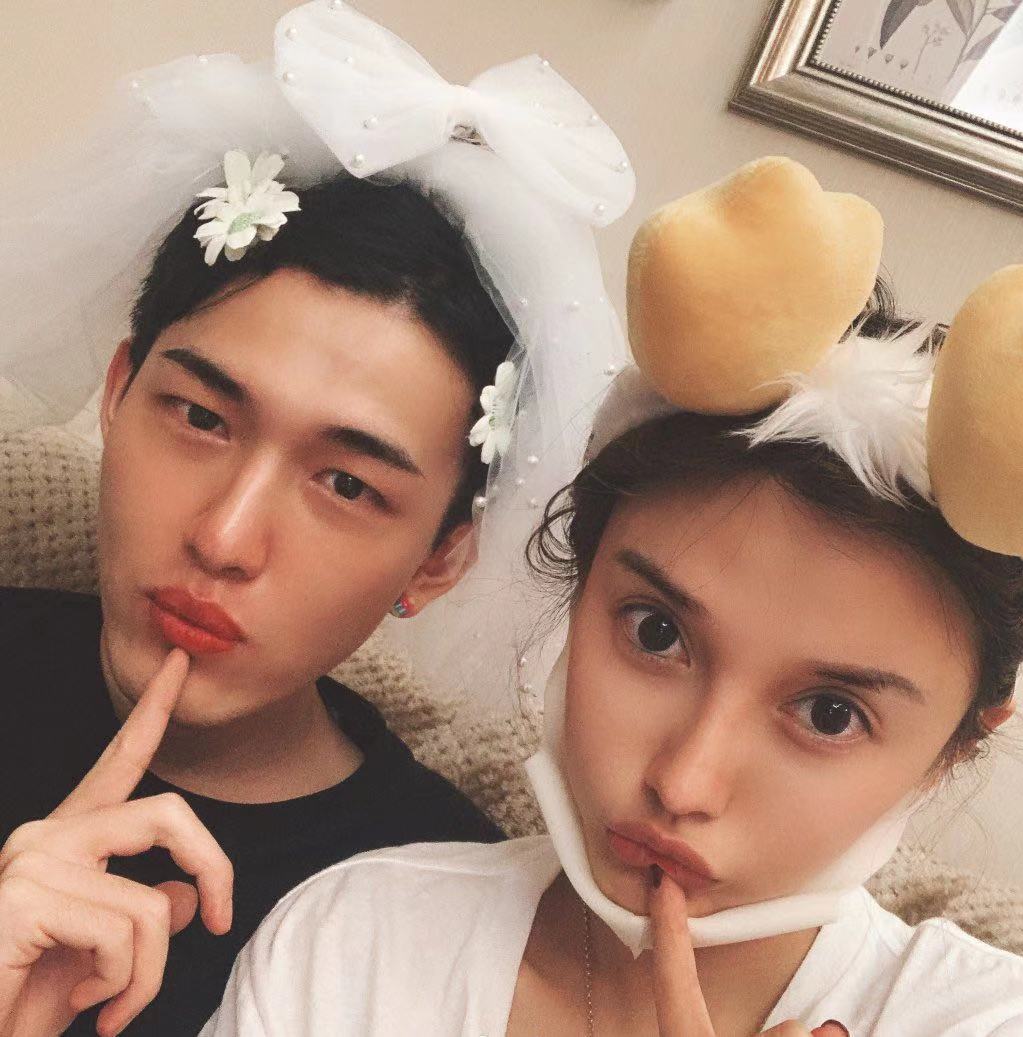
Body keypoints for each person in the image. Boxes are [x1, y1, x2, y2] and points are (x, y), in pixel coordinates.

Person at [200, 157, 1023, 1036]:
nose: (683, 782)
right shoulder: (351, 943)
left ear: (954, 750)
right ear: (582, 592)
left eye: (829, 713)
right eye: (657, 633)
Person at [0, 4, 634, 1036]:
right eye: (201, 417)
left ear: (439, 559)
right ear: (116, 393)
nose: (224, 537)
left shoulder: (443, 918)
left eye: (345, 484)